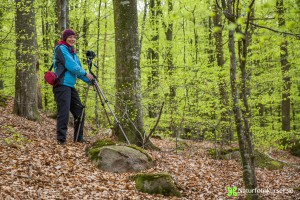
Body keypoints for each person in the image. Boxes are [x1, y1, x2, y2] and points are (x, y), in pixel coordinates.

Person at [53, 28, 94, 145]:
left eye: (74, 37)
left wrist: (90, 81)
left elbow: (79, 71)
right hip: (61, 85)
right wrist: (85, 73)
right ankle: (61, 139)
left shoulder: (73, 52)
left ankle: (78, 137)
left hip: (70, 86)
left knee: (80, 111)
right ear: (65, 38)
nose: (72, 39)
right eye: (70, 37)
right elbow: (71, 66)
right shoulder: (60, 49)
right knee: (64, 112)